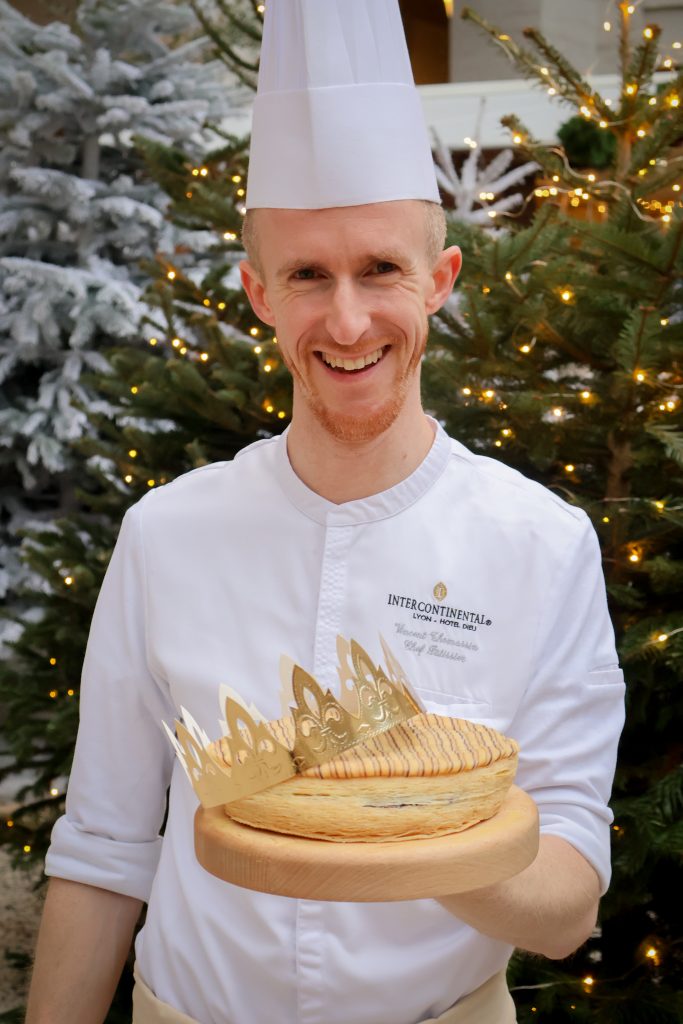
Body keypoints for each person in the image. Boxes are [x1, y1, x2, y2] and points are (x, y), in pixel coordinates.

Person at [25, 2, 625, 1023]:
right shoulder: (165, 535)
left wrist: (390, 824)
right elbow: (106, 848)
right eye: (308, 275)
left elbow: (565, 905)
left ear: (437, 281)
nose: (347, 321)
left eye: (379, 268)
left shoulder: (539, 543)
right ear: (260, 292)